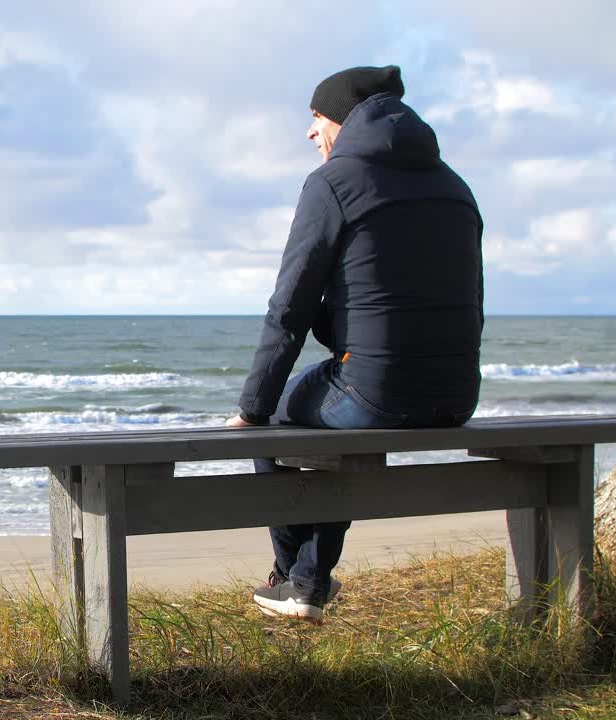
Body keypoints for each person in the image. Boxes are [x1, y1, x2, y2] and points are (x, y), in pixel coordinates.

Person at [226, 65, 484, 623]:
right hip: (457, 396)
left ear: (340, 118)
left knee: (277, 420)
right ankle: (304, 582)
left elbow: (288, 308)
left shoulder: (333, 183)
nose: (310, 133)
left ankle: (297, 579)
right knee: (349, 416)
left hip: (375, 395)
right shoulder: (455, 186)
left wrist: (252, 410)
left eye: (315, 118)